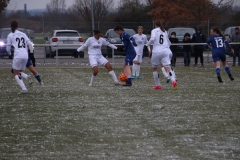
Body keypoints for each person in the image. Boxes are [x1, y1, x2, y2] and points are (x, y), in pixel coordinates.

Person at [146, 20, 178, 90]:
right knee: (167, 67)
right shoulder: (165, 31)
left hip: (157, 51)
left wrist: (147, 44)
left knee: (154, 68)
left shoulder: (154, 30)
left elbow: (152, 38)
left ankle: (158, 85)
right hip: (165, 51)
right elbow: (169, 43)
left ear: (155, 25)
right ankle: (174, 81)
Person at [7, 21, 34, 94]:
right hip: (25, 55)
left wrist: (9, 54)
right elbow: (30, 44)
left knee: (16, 74)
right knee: (20, 73)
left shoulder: (10, 35)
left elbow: (8, 47)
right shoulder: (23, 34)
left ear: (11, 27)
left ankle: (24, 89)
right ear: (17, 26)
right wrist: (31, 54)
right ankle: (26, 76)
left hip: (18, 55)